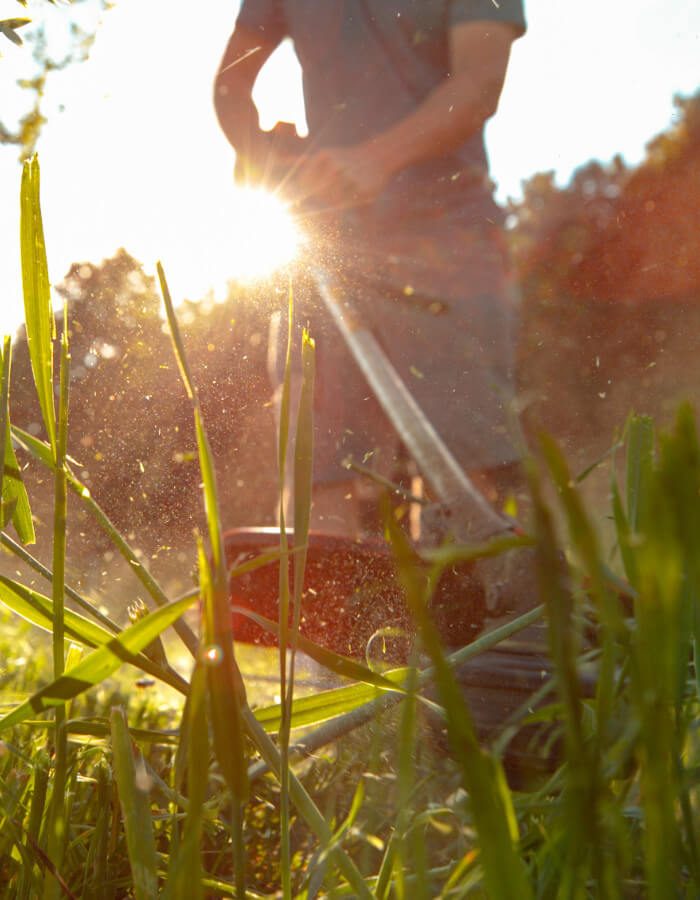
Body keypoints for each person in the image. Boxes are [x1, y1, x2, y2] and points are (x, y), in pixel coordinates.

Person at [214, 1, 534, 615]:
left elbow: (478, 84)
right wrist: (259, 150)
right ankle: (321, 636)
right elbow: (232, 82)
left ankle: (463, 629)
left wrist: (375, 159)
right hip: (326, 233)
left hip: (446, 233)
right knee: (319, 456)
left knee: (460, 457)